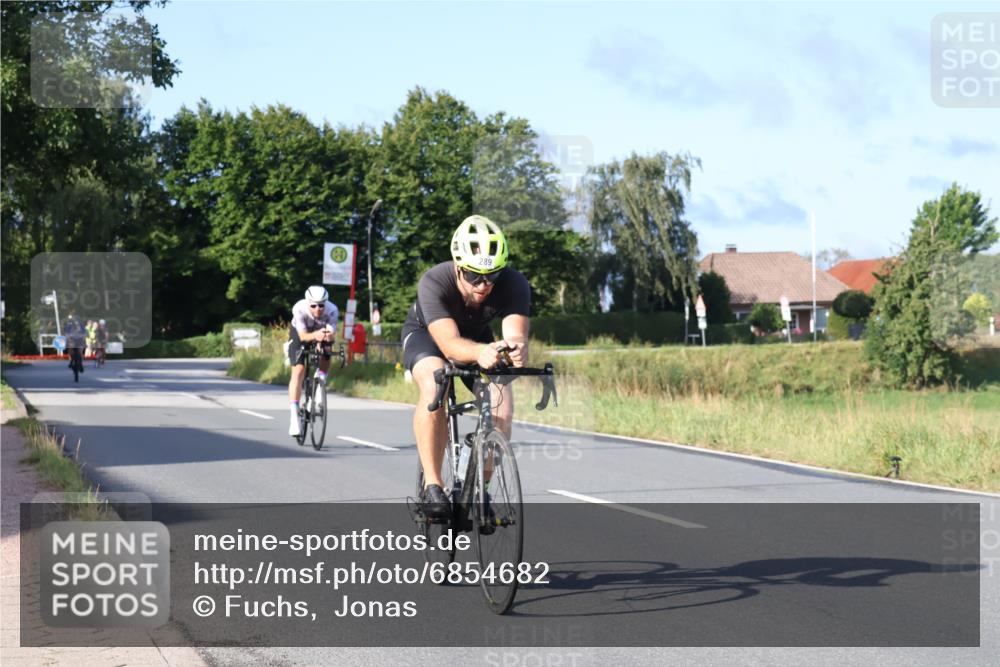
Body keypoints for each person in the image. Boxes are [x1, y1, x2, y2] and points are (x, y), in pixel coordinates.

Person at [401, 215, 530, 518]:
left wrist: (516, 350)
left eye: (492, 275)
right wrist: (481, 351)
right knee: (436, 385)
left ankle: (479, 489)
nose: (484, 285)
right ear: (458, 267)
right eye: (474, 276)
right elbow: (448, 345)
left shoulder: (514, 283)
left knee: (502, 399)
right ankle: (433, 486)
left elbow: (515, 335)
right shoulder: (435, 281)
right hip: (427, 336)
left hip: (476, 337)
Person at [287, 286, 340, 436]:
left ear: (326, 303)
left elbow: (331, 334)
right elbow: (303, 336)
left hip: (319, 332)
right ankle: (294, 416)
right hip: (300, 334)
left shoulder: (332, 310)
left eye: (321, 305)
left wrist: (327, 337)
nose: (318, 308)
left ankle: (320, 380)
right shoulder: (299, 308)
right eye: (314, 305)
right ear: (308, 303)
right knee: (298, 371)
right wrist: (316, 335)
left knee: (327, 349)